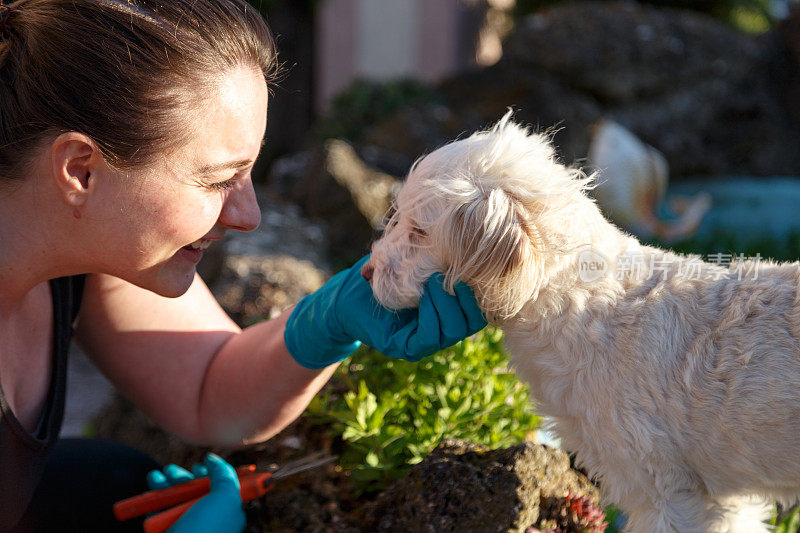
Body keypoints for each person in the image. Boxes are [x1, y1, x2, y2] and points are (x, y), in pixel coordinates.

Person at [0, 0, 487, 531]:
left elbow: (207, 386)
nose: (249, 216)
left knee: (111, 479)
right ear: (80, 171)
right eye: (216, 180)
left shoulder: (85, 252)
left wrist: (328, 320)